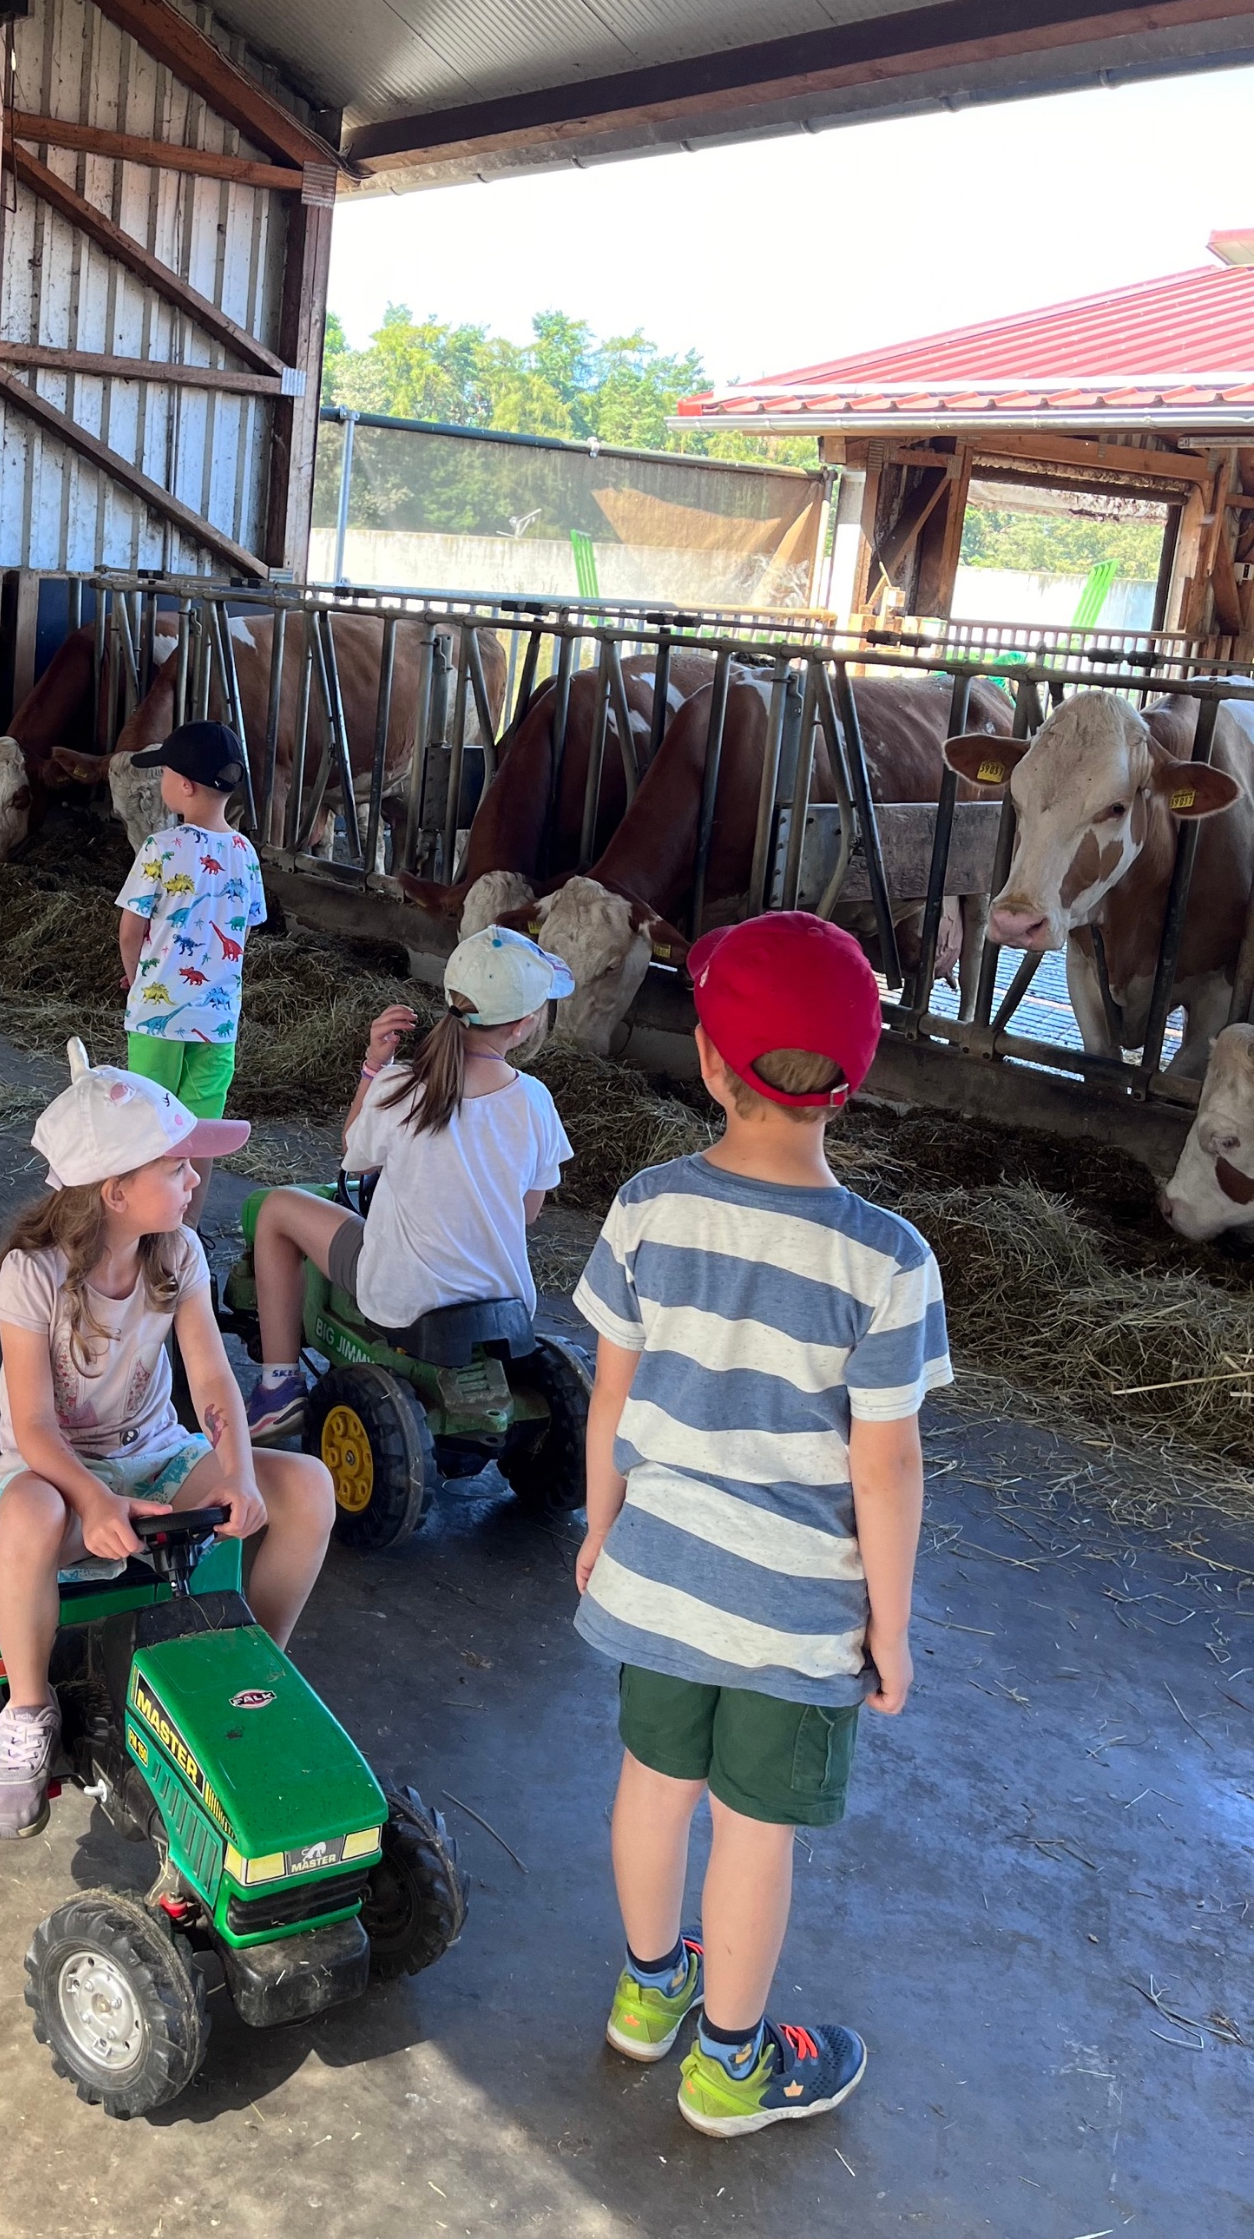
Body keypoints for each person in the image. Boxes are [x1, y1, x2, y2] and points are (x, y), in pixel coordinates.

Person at [572, 911, 947, 2139]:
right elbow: (884, 1470)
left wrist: (598, 1528)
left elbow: (610, 1399)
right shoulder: (887, 1261)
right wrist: (888, 1629)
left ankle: (644, 1999)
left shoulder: (645, 1210)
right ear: (855, 1078)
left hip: (659, 1578)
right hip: (793, 1612)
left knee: (651, 1786)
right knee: (751, 1834)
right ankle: (729, 2065)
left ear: (709, 1065)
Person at [0, 1050, 334, 1840]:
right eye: (178, 1166)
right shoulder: (31, 1275)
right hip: (58, 1471)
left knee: (305, 1486)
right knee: (32, 1518)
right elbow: (33, 1425)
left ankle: (248, 1676)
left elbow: (211, 1378)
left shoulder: (177, 1253)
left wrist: (236, 1468)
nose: (195, 1181)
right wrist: (94, 1499)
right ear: (116, 1192)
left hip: (156, 1454)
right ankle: (27, 1713)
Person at [247, 923, 575, 1445]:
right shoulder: (536, 1101)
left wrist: (374, 1066)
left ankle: (279, 1388)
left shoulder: (401, 1085)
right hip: (505, 1298)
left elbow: (354, 1159)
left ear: (450, 998)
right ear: (524, 1025)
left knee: (277, 1211)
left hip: (404, 1295)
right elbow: (529, 1211)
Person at [115, 718, 265, 1234]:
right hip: (218, 1018)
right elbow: (247, 925)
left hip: (158, 1015)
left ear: (184, 786)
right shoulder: (245, 854)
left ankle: (141, 1224)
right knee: (201, 1128)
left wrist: (137, 979)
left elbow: (130, 930)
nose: (161, 783)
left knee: (151, 1122)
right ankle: (187, 1232)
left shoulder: (160, 848)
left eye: (164, 773)